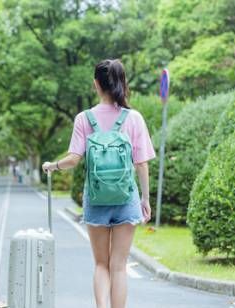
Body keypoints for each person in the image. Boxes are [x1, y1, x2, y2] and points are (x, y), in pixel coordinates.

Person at [42, 59, 155, 308]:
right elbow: (142, 163)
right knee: (119, 267)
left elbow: (73, 159)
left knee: (101, 264)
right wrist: (144, 199)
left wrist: (53, 166)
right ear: (122, 84)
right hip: (126, 199)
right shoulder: (133, 118)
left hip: (96, 199)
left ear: (96, 84)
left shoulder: (84, 118)